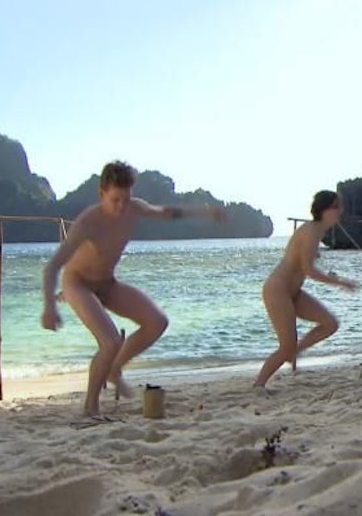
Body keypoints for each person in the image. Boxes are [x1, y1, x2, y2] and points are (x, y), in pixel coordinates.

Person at [41, 160, 227, 417]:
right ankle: (91, 406)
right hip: (78, 283)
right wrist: (49, 307)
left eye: (126, 199)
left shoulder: (133, 209)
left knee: (157, 322)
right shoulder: (87, 223)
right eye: (115, 200)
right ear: (102, 194)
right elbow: (53, 266)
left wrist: (203, 212)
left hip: (107, 282)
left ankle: (115, 368)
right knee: (110, 342)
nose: (121, 206)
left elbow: (166, 212)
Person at [254, 190, 358, 388]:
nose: (341, 211)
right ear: (324, 210)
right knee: (286, 347)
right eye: (336, 207)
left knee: (330, 324)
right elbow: (308, 270)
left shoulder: (317, 231)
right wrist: (340, 282)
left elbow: (302, 262)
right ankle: (259, 385)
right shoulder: (311, 231)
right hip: (278, 290)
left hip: (293, 292)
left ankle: (295, 352)